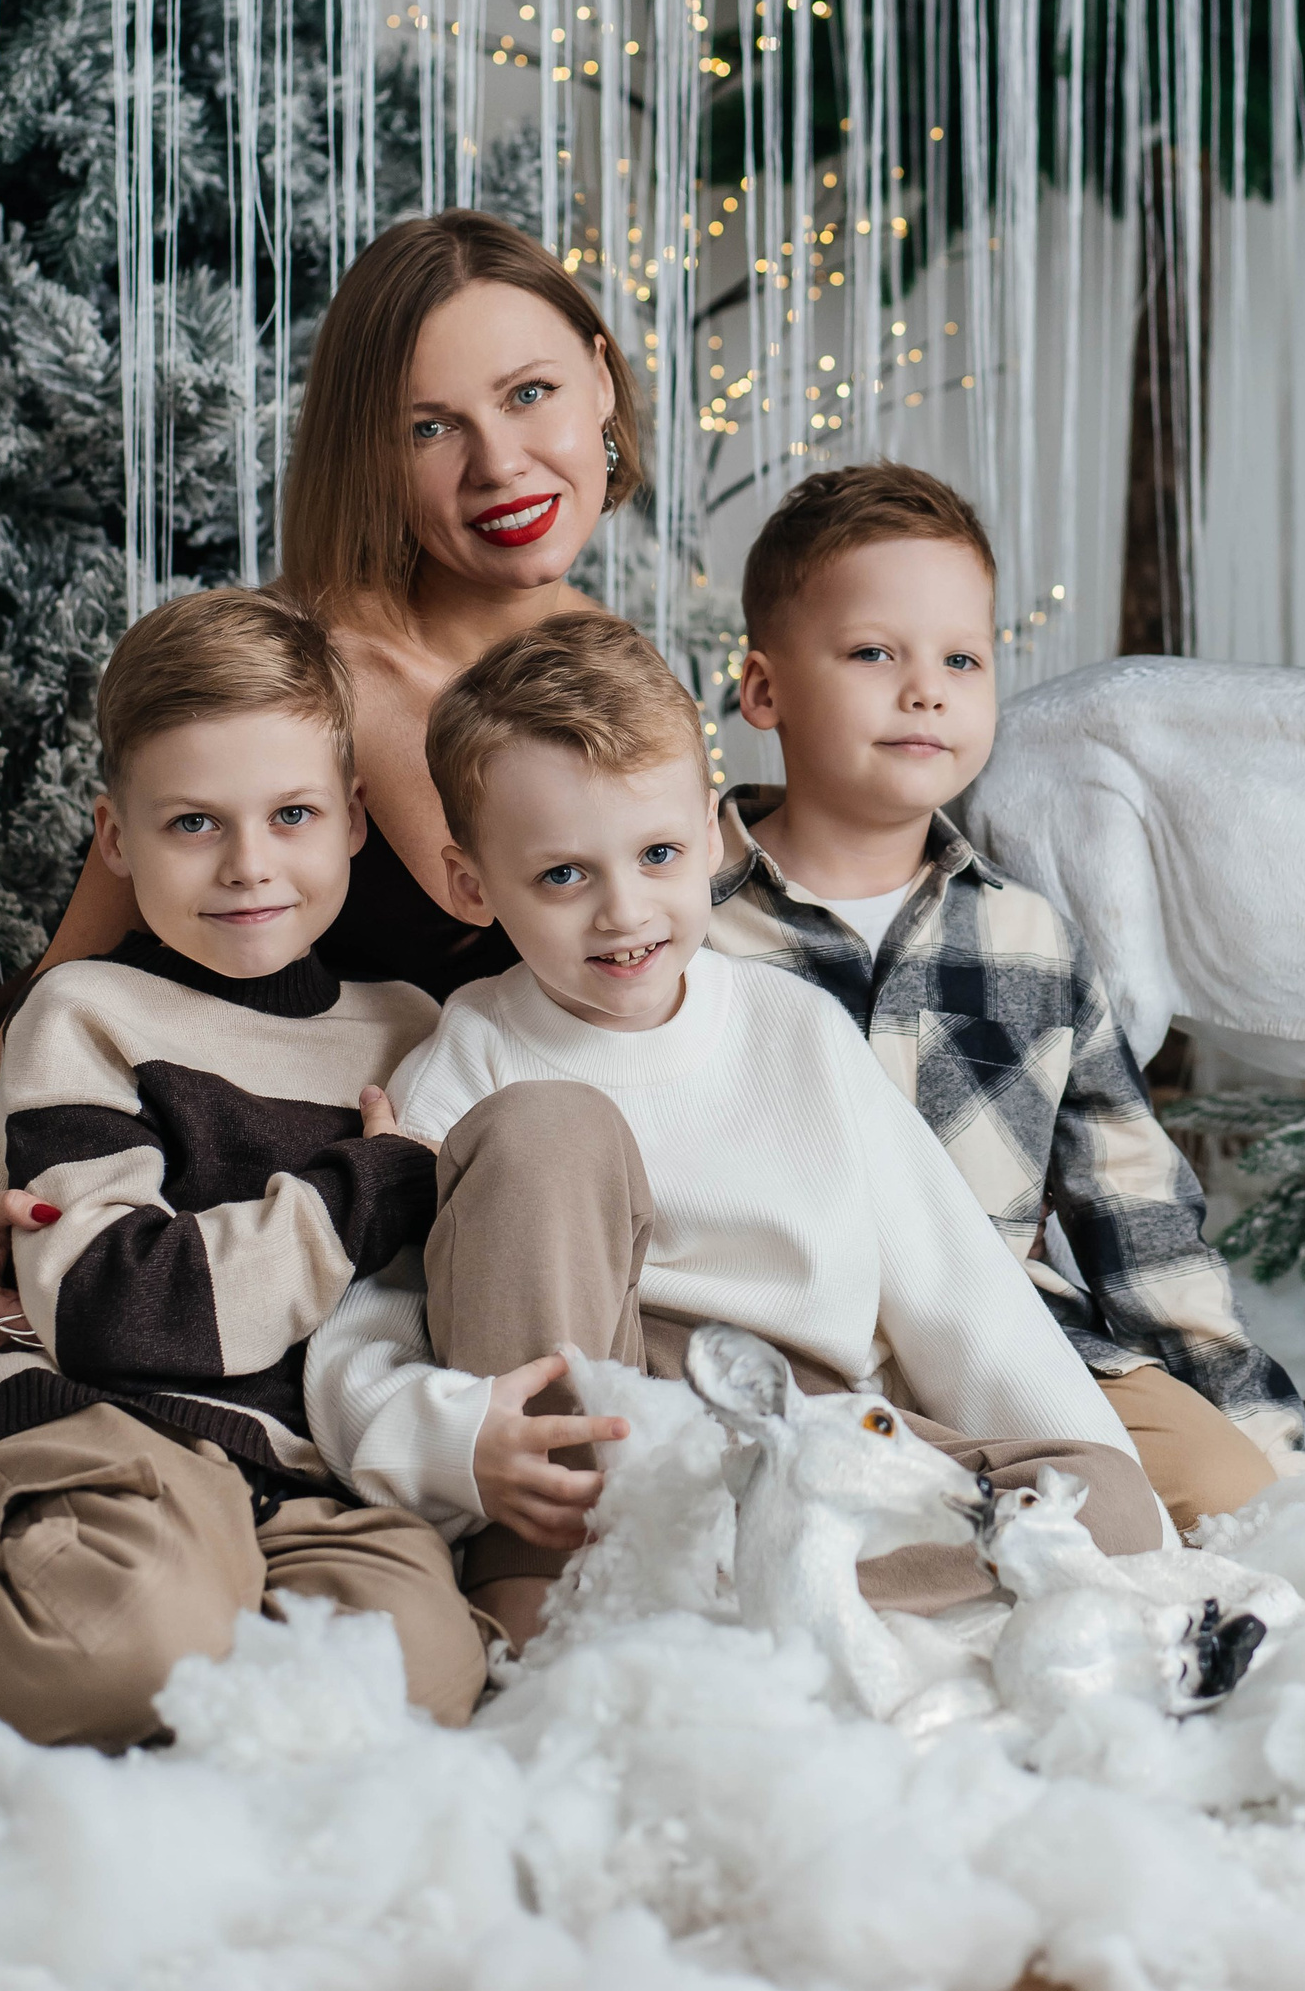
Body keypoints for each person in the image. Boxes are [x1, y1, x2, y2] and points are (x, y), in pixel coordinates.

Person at [0, 210, 643, 1398]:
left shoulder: (621, 677)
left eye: (530, 393)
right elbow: (66, 980)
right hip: (167, 1206)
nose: (499, 464)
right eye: (430, 426)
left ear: (600, 381)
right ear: (370, 455)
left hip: (392, 1220)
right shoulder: (295, 672)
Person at [303, 612, 1165, 1656]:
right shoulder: (470, 1054)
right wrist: (454, 1439)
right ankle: (564, 1584)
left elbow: (957, 1287)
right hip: (591, 1437)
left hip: (798, 1435)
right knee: (545, 1127)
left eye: (657, 854)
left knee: (1100, 1498)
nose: (624, 913)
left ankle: (741, 1582)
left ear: (711, 840)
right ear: (472, 885)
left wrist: (1117, 1500)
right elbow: (364, 1333)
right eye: (564, 875)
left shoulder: (794, 1027)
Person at [0, 587, 491, 1748]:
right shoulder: (89, 1013)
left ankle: (197, 1674)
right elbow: (113, 1309)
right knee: (130, 1629)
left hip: (314, 1467)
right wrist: (362, 1190)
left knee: (417, 1674)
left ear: (355, 819)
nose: (250, 866)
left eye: (293, 815)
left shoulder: (414, 1029)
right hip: (115, 1430)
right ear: (117, 837)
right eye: (194, 823)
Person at [704, 462, 1305, 1531]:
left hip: (1009, 1336)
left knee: (1227, 1492)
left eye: (962, 659)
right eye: (873, 653)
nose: (925, 689)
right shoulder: (683, 921)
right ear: (764, 691)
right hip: (785, 1343)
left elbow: (1135, 1209)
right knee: (765, 1516)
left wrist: (1251, 1421)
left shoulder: (1031, 940)